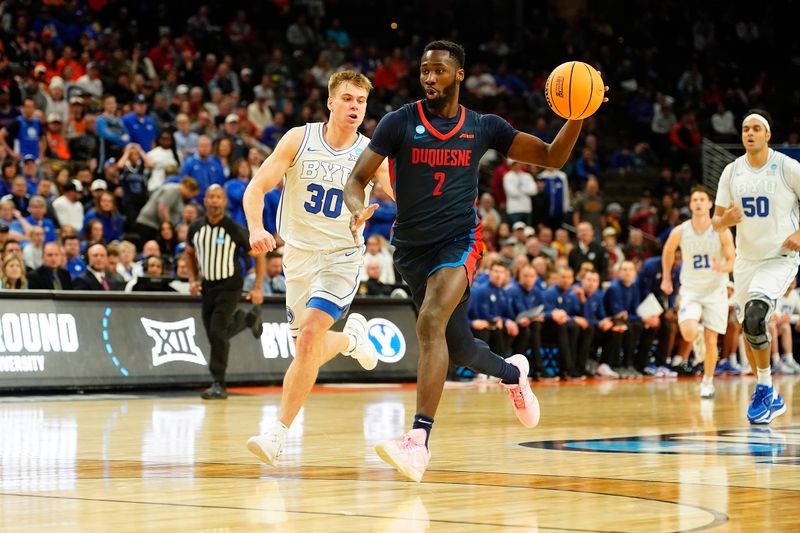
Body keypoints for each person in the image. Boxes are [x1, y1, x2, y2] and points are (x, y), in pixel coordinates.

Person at [344, 40, 602, 481]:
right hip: (410, 250)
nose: (429, 78)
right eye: (425, 70)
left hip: (460, 242)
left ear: (459, 75)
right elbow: (357, 179)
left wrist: (578, 114)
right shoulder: (399, 122)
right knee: (457, 346)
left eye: (439, 71)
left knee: (428, 324)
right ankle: (511, 372)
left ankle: (417, 441)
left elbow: (552, 156)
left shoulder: (484, 127)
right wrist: (356, 208)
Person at [243, 71, 388, 465]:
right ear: (330, 102)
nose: (355, 106)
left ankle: (278, 433)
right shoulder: (298, 138)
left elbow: (404, 197)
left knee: (308, 339)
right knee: (306, 349)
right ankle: (352, 342)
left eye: (360, 100)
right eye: (347, 99)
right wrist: (256, 227)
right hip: (299, 258)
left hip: (341, 257)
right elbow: (256, 188)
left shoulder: (371, 153)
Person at [712, 109, 800, 424]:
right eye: (745, 129)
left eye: (755, 129)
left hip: (779, 257)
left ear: (767, 135)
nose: (749, 133)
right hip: (746, 260)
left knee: (755, 314)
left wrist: (799, 234)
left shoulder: (787, 167)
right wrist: (727, 220)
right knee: (751, 329)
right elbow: (716, 222)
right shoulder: (732, 172)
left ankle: (763, 389)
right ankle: (770, 395)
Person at [185, 185, 265, 400]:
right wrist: (192, 279)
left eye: (218, 196)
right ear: (205, 201)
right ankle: (247, 319)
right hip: (208, 286)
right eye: (210, 196)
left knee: (218, 331)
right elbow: (189, 254)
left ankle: (218, 383)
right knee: (214, 333)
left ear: (224, 201)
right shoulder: (195, 228)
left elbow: (258, 255)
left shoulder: (233, 228)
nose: (214, 200)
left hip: (230, 285)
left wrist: (257, 287)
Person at [661, 186, 734, 399]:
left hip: (715, 290)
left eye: (703, 199)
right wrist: (666, 277)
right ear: (690, 204)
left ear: (710, 204)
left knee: (713, 340)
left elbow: (732, 259)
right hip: (691, 289)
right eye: (695, 199)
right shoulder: (681, 230)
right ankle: (698, 337)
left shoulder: (721, 229)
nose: (699, 203)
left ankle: (707, 382)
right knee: (689, 332)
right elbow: (667, 250)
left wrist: (723, 267)